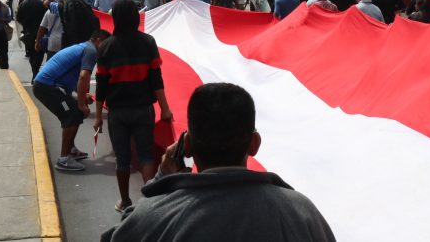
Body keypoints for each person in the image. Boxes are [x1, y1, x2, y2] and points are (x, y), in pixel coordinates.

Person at [100, 83, 336, 242]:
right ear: (254, 144)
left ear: (187, 146)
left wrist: (162, 182)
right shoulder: (301, 213)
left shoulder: (156, 215)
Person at [95, 0, 174, 213]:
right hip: (143, 110)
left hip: (118, 112)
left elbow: (101, 86)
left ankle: (125, 201)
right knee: (146, 154)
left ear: (115, 18)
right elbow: (156, 80)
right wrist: (165, 109)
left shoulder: (105, 47)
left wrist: (96, 117)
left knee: (123, 158)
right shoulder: (148, 42)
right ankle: (148, 203)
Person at [33, 29, 110, 171]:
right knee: (73, 113)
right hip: (47, 87)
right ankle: (64, 159)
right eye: (107, 44)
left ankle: (71, 149)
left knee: (74, 111)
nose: (107, 49)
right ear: (98, 40)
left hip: (49, 86)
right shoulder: (91, 51)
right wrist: (81, 103)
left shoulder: (84, 47)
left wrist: (82, 95)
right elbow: (83, 77)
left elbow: (73, 77)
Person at [16, 0, 47, 80]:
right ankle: (36, 72)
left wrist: (26, 25)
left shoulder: (22, 5)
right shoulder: (41, 4)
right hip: (41, 33)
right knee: (39, 54)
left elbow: (18, 19)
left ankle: (35, 72)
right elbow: (46, 19)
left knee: (32, 54)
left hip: (28, 34)